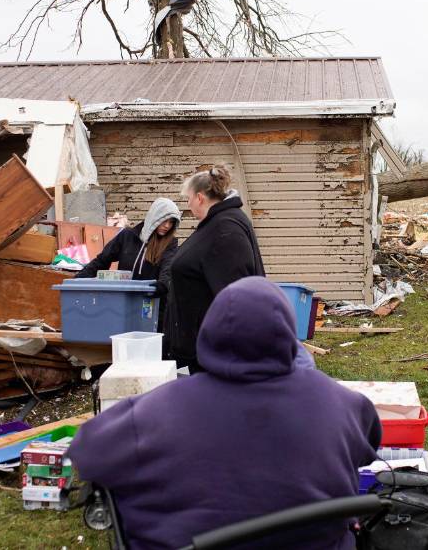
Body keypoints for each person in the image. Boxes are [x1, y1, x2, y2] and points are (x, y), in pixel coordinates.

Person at [68, 277, 381, 550]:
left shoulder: (156, 410)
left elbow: (88, 453)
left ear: (208, 332)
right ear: (288, 332)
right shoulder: (340, 403)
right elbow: (370, 442)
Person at [164, 166, 265, 372]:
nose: (188, 204)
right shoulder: (215, 224)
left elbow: (236, 295)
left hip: (214, 354)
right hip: (201, 349)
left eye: (188, 199)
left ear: (200, 198)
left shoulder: (225, 229)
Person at [74, 197, 180, 283]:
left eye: (171, 222)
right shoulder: (127, 236)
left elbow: (167, 269)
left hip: (150, 299)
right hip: (125, 297)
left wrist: (162, 285)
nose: (167, 226)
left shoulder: (170, 243)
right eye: (164, 220)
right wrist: (77, 280)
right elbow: (102, 260)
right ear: (154, 218)